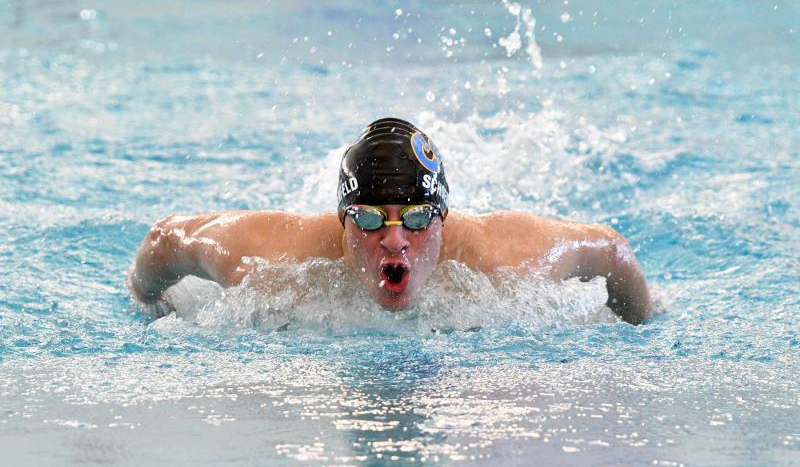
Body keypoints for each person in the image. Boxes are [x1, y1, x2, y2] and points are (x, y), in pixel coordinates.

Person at [128, 118, 654, 324]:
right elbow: (165, 239)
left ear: (444, 220)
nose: (396, 240)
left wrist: (640, 325)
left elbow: (612, 249)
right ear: (343, 222)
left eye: (420, 218)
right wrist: (148, 302)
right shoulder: (272, 260)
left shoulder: (504, 259)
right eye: (372, 219)